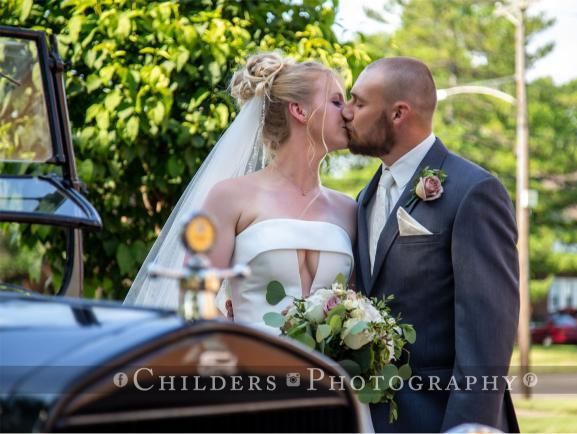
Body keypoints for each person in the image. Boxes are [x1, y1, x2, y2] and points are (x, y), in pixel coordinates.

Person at [343, 57, 520, 432]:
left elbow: (488, 332)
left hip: (442, 417)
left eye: (358, 102)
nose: (346, 112)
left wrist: (467, 427)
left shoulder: (473, 191)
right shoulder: (364, 197)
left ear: (398, 114)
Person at [125, 52, 356, 333]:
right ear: (299, 110)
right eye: (336, 101)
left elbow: (356, 303)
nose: (348, 112)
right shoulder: (229, 197)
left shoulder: (349, 210)